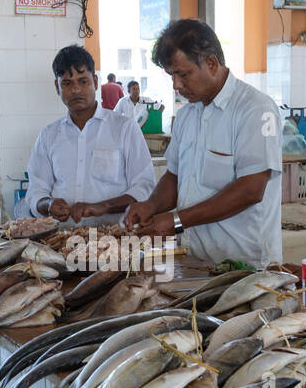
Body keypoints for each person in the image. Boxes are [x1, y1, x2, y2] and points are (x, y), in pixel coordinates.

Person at [124, 19, 283, 267]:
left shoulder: (256, 109)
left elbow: (251, 189)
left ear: (211, 63)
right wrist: (150, 205)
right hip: (196, 258)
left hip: (246, 266)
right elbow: (174, 177)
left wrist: (176, 220)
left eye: (183, 74)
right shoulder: (187, 114)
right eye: (172, 76)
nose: (176, 85)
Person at [26, 46, 156, 227]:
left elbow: (144, 187)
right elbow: (35, 191)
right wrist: (48, 204)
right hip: (62, 241)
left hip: (112, 241)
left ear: (95, 82)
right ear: (57, 87)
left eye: (83, 81)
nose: (76, 90)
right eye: (67, 83)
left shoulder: (124, 128)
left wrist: (104, 206)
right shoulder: (49, 136)